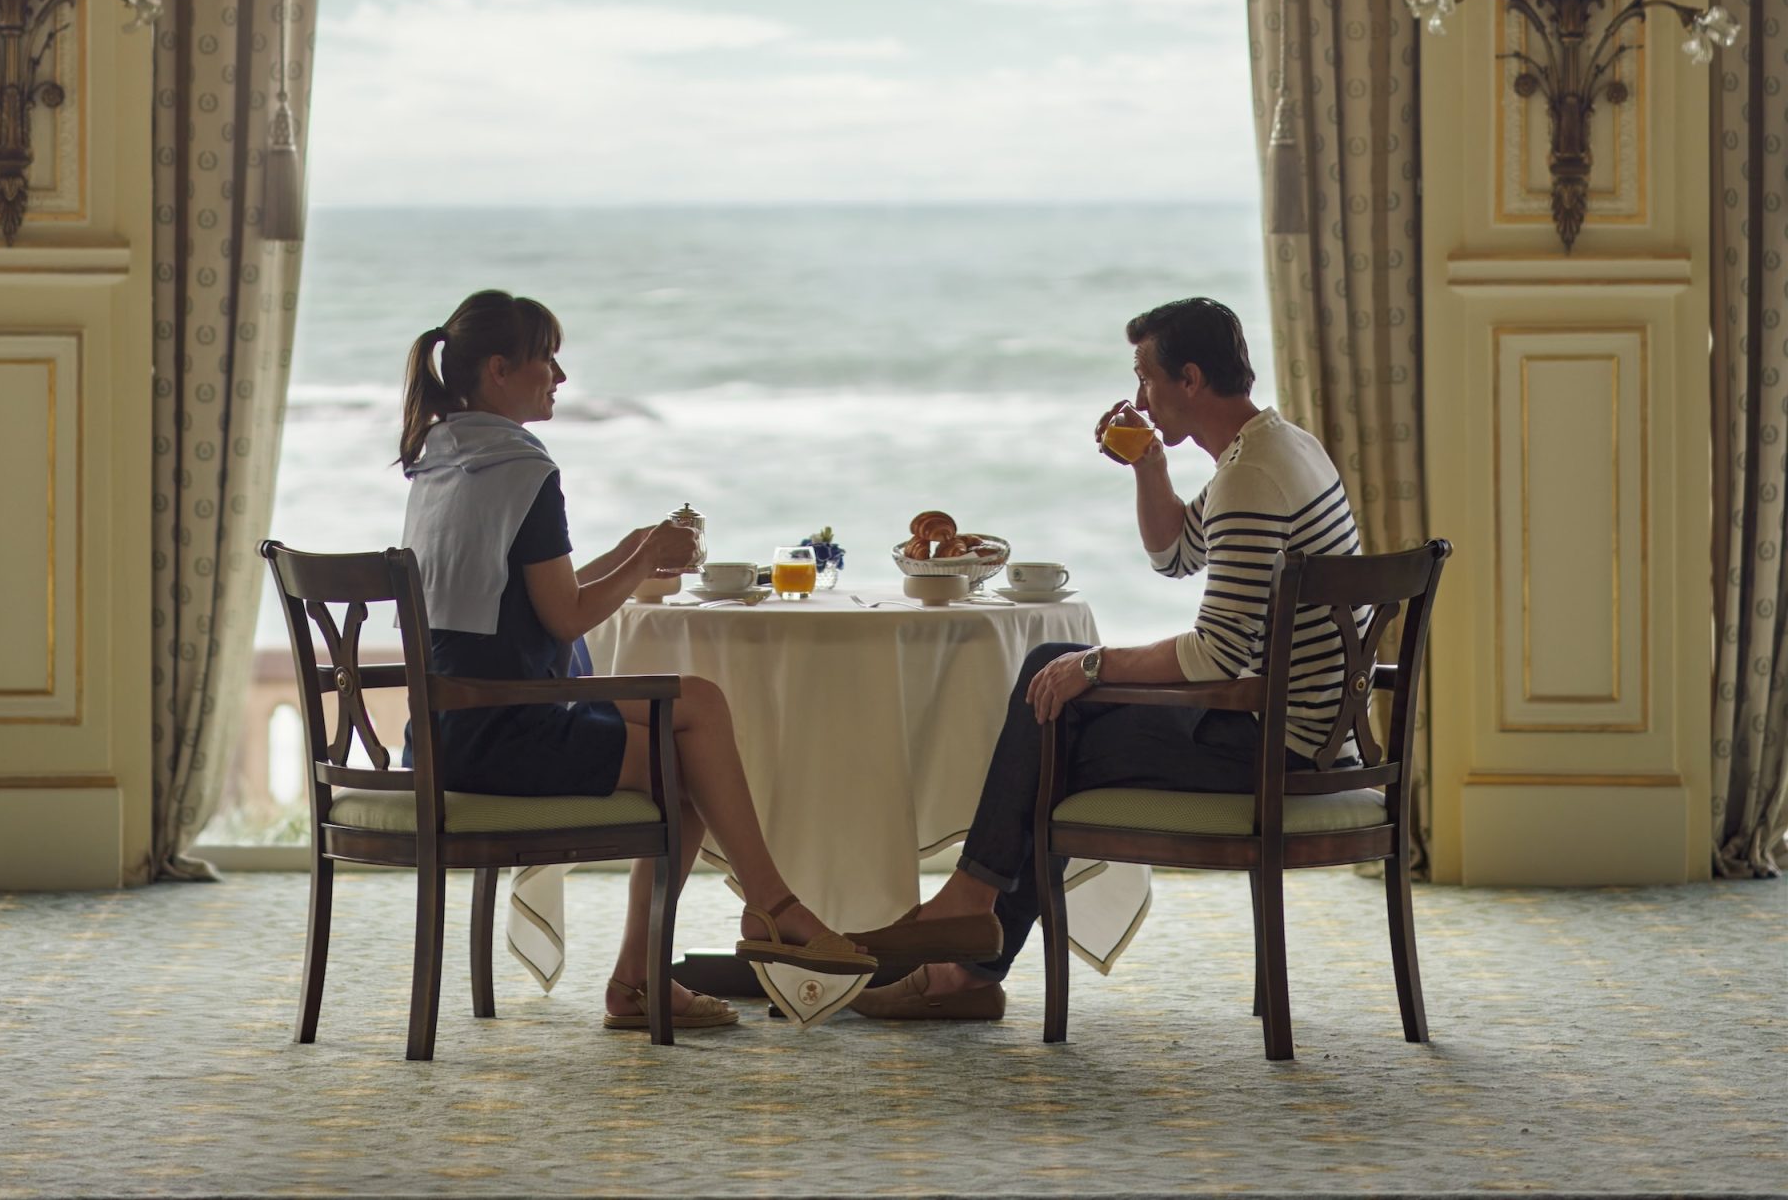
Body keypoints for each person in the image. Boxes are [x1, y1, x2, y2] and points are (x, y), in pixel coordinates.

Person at [849, 296, 1364, 1020]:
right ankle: (967, 940)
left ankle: (968, 940)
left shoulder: (1252, 477)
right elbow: (1177, 555)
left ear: (1189, 377)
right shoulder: (1273, 446)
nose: (1142, 397)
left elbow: (1215, 654)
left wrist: (1095, 666)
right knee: (1049, 680)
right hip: (1304, 726)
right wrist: (1148, 464)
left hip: (1277, 743)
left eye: (1147, 377)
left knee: (1053, 722)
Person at [397, 289, 873, 1033]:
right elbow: (567, 615)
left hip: (452, 724)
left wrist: (630, 550)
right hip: (506, 731)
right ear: (498, 369)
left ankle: (739, 923)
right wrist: (649, 554)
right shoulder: (524, 469)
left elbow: (523, 598)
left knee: (698, 705)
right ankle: (741, 924)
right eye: (546, 359)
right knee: (687, 763)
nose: (559, 375)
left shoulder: (442, 460)